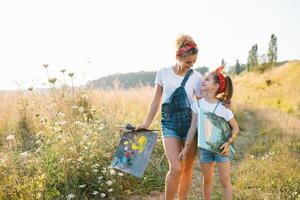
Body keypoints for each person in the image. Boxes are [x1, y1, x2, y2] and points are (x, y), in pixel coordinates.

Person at [136, 35, 203, 200]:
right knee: (176, 168)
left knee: (187, 169)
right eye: (188, 62)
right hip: (169, 124)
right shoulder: (163, 73)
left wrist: (224, 104)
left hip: (190, 126)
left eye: (194, 62)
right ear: (178, 57)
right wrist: (146, 123)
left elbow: (203, 104)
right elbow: (156, 101)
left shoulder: (197, 77)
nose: (191, 65)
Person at [178, 66, 239, 200]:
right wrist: (186, 149)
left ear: (216, 86)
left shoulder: (223, 107)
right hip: (204, 149)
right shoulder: (197, 105)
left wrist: (228, 143)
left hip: (221, 150)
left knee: (225, 181)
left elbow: (235, 128)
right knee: (207, 180)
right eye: (203, 79)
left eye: (207, 79)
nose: (203, 81)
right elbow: (192, 128)